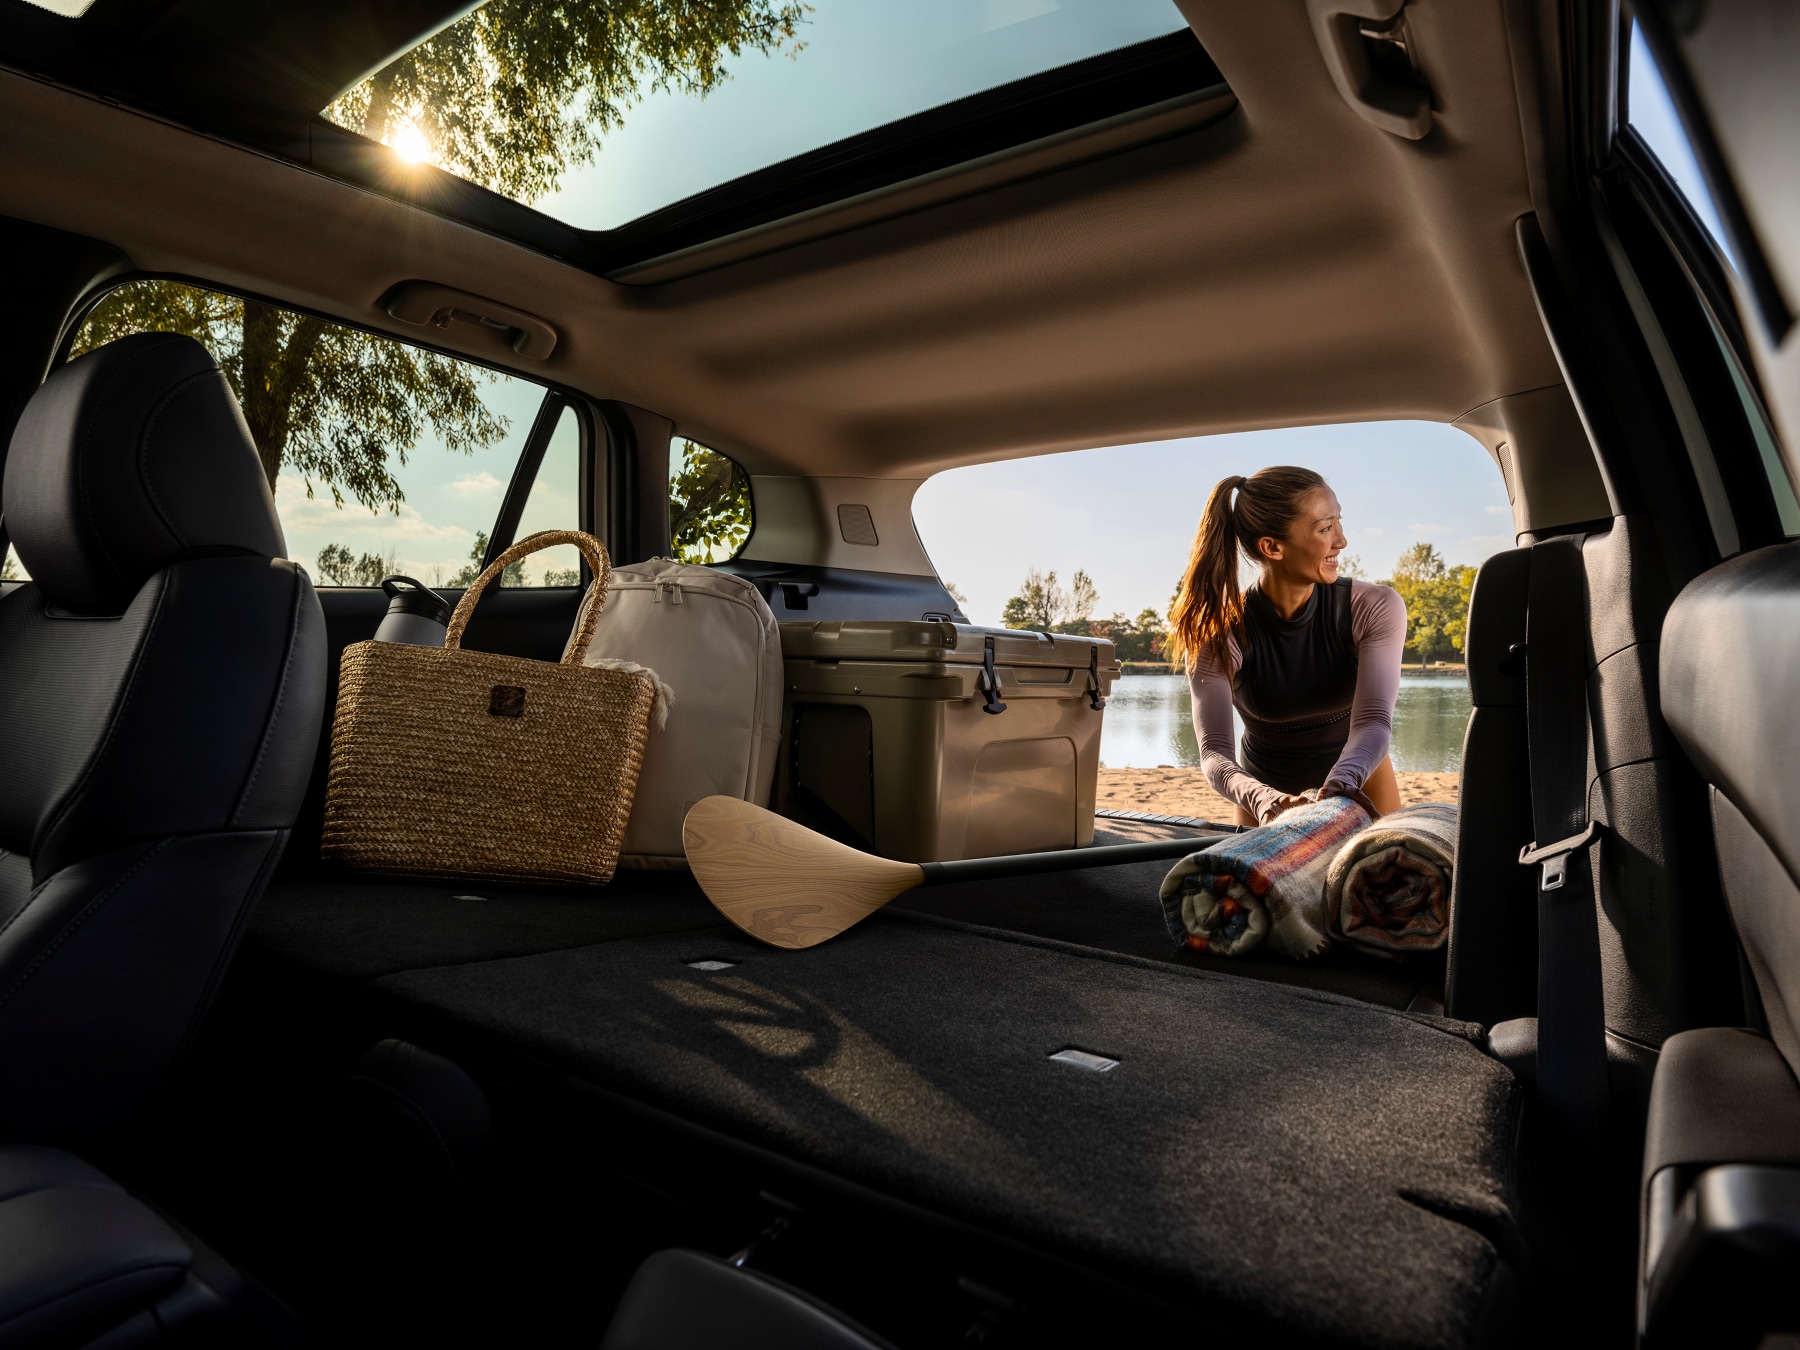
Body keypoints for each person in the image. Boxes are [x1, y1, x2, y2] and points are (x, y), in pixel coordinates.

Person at [1166, 466, 1406, 828]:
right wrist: (1263, 799)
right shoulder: (1218, 632)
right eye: (1326, 528)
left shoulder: (1374, 606)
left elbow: (1374, 722)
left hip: (1362, 778)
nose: (1341, 540)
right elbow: (1214, 754)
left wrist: (1340, 786)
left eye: (1338, 522)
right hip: (1263, 792)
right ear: (1272, 547)